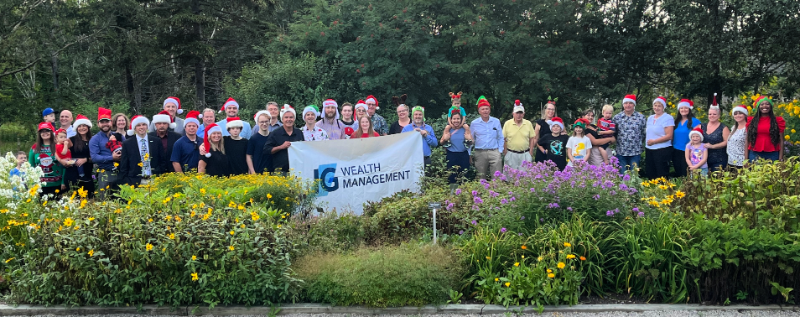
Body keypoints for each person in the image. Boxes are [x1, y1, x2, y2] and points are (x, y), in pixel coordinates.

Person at [119, 115, 168, 187]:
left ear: (147, 127)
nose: (141, 127)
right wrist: (125, 181)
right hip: (135, 180)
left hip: (154, 179)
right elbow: (124, 164)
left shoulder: (156, 141)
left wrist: (160, 175)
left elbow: (162, 160)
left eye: (144, 124)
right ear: (134, 128)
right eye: (138, 125)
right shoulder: (127, 143)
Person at [90, 107, 121, 198]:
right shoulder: (95, 139)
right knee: (105, 200)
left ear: (111, 122)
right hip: (105, 173)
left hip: (121, 172)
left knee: (121, 200)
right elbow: (94, 157)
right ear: (98, 124)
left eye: (107, 122)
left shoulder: (118, 136)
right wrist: (112, 158)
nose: (105, 124)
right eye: (102, 122)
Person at [264, 105, 305, 174]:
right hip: (280, 171)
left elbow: (303, 149)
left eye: (291, 117)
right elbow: (266, 150)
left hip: (297, 170)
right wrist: (281, 147)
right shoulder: (275, 133)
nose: (289, 119)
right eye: (286, 117)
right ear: (282, 119)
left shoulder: (299, 132)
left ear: (294, 119)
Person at [470, 96, 504, 179]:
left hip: (494, 151)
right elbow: (471, 139)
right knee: (480, 176)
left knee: (497, 177)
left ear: (490, 110)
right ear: (479, 111)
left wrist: (500, 151)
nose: (485, 111)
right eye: (483, 109)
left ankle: (497, 191)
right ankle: (481, 192)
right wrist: (469, 153)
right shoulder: (474, 123)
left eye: (487, 109)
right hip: (480, 152)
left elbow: (500, 137)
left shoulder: (496, 121)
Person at [612, 94, 646, 174]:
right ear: (623, 104)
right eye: (626, 103)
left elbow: (643, 133)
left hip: (635, 151)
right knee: (623, 175)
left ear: (634, 104)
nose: (628, 105)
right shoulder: (617, 118)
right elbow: (614, 133)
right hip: (621, 152)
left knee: (634, 176)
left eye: (630, 103)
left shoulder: (641, 117)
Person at [29, 122, 65, 196]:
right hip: (40, 185)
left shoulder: (58, 146)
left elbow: (64, 165)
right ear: (39, 134)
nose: (44, 133)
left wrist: (63, 182)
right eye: (42, 131)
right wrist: (32, 183)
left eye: (47, 131)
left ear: (52, 132)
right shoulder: (34, 148)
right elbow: (31, 166)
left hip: (56, 184)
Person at [746, 96, 785, 162]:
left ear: (770, 106)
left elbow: (781, 140)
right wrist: (746, 159)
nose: (764, 106)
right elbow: (747, 140)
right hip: (755, 153)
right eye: (762, 104)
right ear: (758, 107)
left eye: (767, 104)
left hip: (772, 153)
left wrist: (781, 159)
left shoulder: (778, 121)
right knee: (754, 172)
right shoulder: (751, 121)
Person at [645, 96, 675, 179]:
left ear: (663, 107)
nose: (656, 108)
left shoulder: (668, 118)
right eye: (655, 105)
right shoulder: (650, 118)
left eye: (659, 106)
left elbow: (669, 136)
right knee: (650, 172)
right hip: (650, 149)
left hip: (662, 149)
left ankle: (663, 190)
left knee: (662, 173)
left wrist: (654, 141)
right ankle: (651, 190)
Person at [440, 110, 471, 186]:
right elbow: (441, 142)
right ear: (451, 120)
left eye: (458, 119)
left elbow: (471, 142)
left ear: (461, 120)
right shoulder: (448, 129)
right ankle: (452, 193)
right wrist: (445, 139)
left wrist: (469, 139)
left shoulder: (465, 128)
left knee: (464, 175)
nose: (456, 121)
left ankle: (464, 192)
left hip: (463, 155)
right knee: (452, 175)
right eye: (454, 119)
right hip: (452, 155)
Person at [672, 99, 702, 177]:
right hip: (676, 150)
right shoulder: (676, 121)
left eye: (686, 108)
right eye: (681, 108)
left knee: (687, 173)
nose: (683, 110)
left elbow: (699, 136)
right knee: (678, 172)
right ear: (679, 110)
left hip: (689, 151)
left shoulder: (695, 121)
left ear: (689, 109)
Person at [66, 115, 94, 197]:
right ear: (76, 128)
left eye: (84, 126)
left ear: (88, 127)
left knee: (89, 199)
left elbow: (96, 156)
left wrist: (86, 159)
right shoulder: (71, 140)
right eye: (79, 126)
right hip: (73, 173)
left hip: (88, 173)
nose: (82, 128)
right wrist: (73, 161)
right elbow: (65, 155)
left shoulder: (93, 140)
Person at [502, 100, 536, 170]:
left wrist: (531, 152)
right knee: (510, 177)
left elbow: (532, 138)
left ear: (523, 114)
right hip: (511, 153)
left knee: (525, 177)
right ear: (513, 113)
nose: (519, 115)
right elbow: (503, 138)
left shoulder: (528, 123)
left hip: (525, 154)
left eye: (521, 113)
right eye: (517, 113)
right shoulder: (507, 123)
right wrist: (505, 151)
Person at [702, 94, 730, 173]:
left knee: (717, 181)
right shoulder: (702, 126)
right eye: (710, 114)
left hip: (718, 159)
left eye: (714, 114)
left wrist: (713, 146)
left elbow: (726, 141)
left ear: (718, 115)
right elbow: (693, 136)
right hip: (703, 159)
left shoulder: (723, 127)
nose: (712, 116)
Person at [534, 98, 558, 163]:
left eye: (553, 109)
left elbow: (563, 135)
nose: (551, 111)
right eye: (549, 109)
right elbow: (536, 139)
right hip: (542, 152)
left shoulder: (558, 122)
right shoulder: (539, 123)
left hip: (555, 152)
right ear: (545, 110)